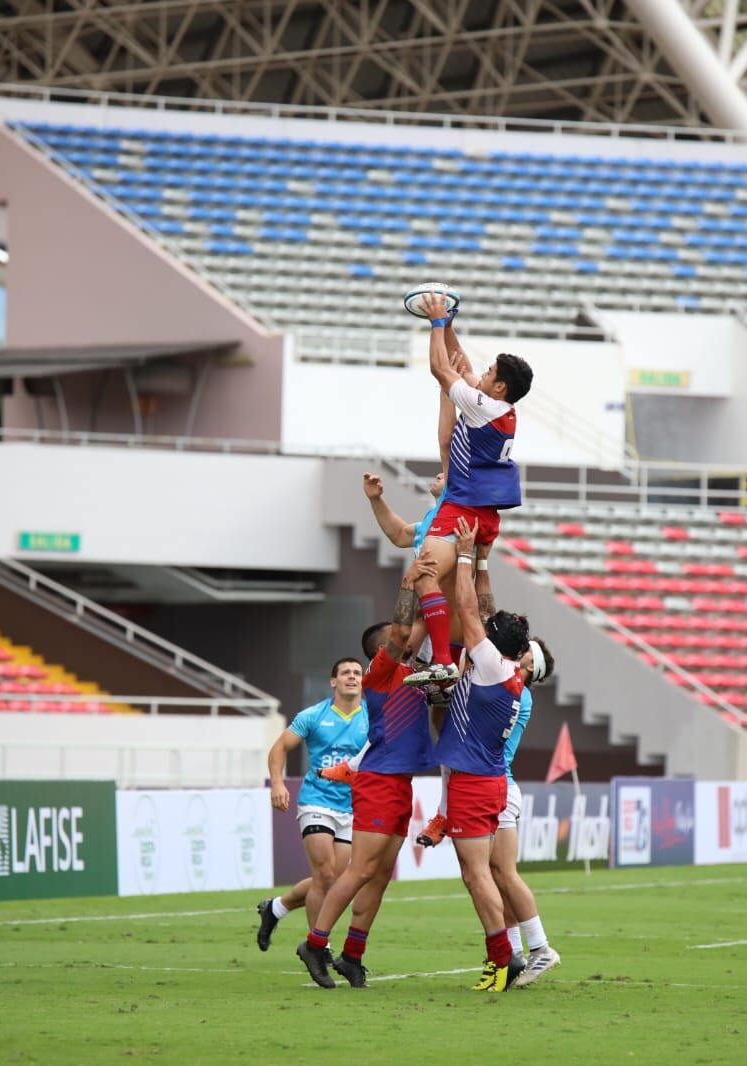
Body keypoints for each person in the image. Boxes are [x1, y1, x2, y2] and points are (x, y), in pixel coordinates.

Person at [297, 556, 439, 989]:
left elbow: (422, 627)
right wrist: (409, 585)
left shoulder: (415, 672)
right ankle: (314, 944)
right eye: (404, 635)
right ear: (384, 647)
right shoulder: (381, 673)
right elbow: (401, 629)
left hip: (401, 783)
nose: (413, 634)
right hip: (378, 781)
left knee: (379, 876)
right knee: (358, 871)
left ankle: (352, 955)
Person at [403, 291, 533, 690]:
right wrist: (452, 324)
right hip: (475, 508)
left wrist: (437, 323)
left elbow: (441, 369)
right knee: (423, 578)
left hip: (464, 508)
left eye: (490, 372)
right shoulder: (497, 405)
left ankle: (442, 662)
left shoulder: (484, 408)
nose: (481, 373)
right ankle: (443, 664)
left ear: (500, 387)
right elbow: (465, 366)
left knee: (422, 574)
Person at [430, 515, 532, 992]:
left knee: (476, 875)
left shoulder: (490, 663)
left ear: (496, 643)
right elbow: (481, 615)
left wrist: (467, 555)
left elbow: (470, 612)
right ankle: (501, 956)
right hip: (485, 779)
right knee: (482, 873)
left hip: (474, 781)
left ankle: (502, 957)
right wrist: (482, 563)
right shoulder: (505, 667)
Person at [256, 657, 369, 950]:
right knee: (325, 873)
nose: (352, 677)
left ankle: (276, 908)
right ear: (334, 681)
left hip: (351, 806)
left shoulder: (372, 716)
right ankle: (320, 948)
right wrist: (278, 783)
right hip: (316, 800)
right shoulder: (314, 715)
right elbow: (279, 748)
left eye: (357, 673)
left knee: (334, 879)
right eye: (345, 672)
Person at [491, 639, 561, 987]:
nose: (518, 654)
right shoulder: (511, 685)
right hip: (492, 785)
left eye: (526, 655)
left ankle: (541, 947)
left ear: (531, 668)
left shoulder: (521, 695)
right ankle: (516, 953)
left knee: (505, 873)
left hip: (499, 787)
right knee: (495, 875)